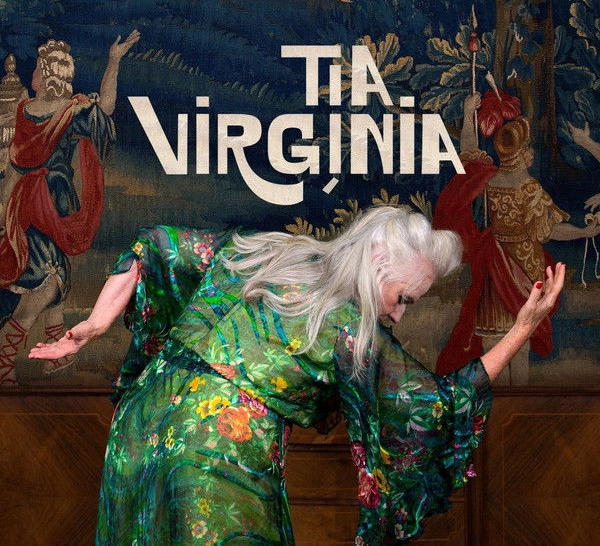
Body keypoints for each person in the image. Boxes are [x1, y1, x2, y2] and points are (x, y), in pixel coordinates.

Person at [30, 205, 563, 544]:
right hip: (217, 450)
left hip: (140, 425)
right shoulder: (351, 327)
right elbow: (434, 405)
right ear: (377, 266)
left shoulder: (272, 251)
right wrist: (521, 328)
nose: (399, 315)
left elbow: (155, 245)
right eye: (404, 298)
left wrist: (95, 324)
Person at [0, 31, 140, 385]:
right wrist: (4, 211)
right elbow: (15, 165)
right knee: (49, 280)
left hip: (47, 206)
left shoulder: (65, 109)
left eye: (38, 68)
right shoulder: (33, 110)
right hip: (33, 207)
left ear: (48, 73)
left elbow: (105, 109)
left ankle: (52, 354)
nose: (34, 74)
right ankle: (6, 358)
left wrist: (114, 61)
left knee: (55, 275)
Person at [435, 93, 599, 383]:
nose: (533, 153)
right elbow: (550, 231)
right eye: (529, 148)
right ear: (521, 154)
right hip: (522, 269)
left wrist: (468, 113)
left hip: (493, 264)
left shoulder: (489, 177)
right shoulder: (528, 188)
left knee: (491, 343)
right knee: (519, 345)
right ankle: (517, 400)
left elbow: (469, 151)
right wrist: (584, 232)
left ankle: (494, 399)